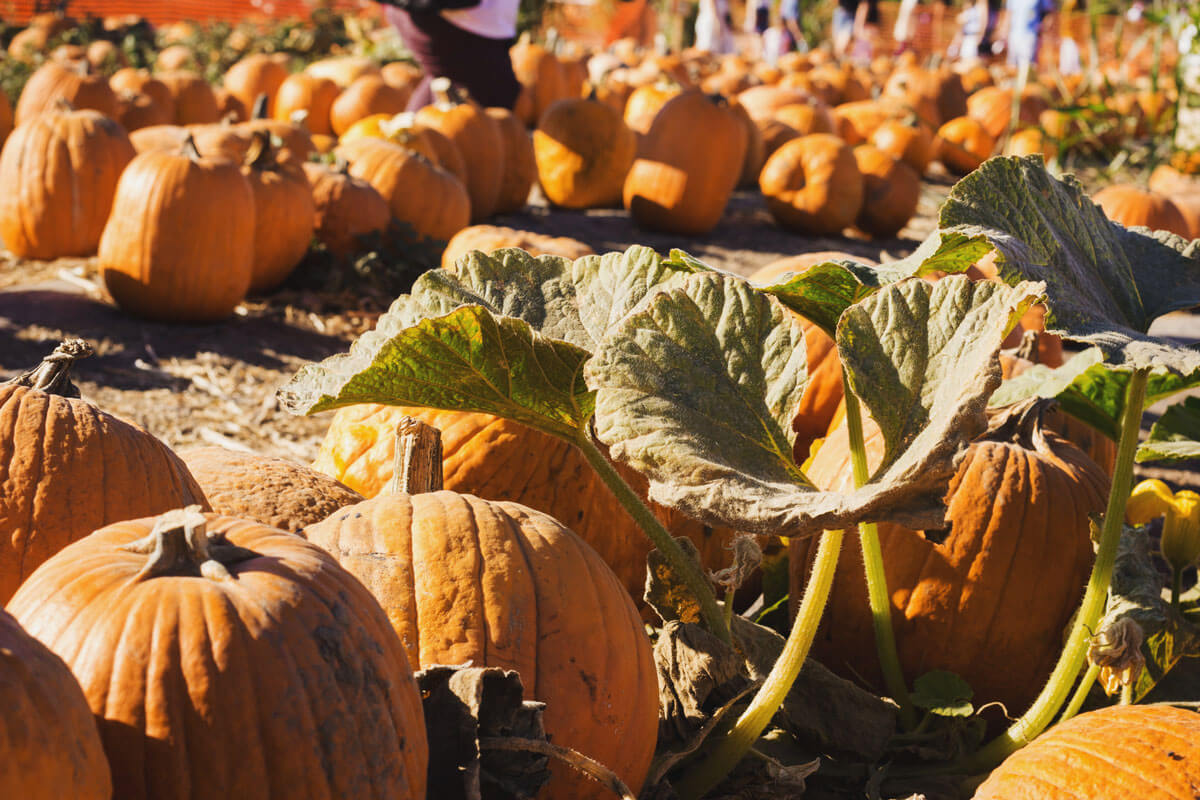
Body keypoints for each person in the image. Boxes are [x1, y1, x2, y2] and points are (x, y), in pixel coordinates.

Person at [377, 0, 522, 111]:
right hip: (456, 24)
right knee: (496, 103)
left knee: (445, 79)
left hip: (446, 20)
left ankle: (412, 133)